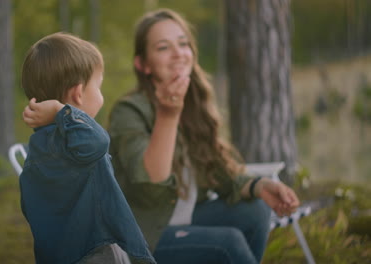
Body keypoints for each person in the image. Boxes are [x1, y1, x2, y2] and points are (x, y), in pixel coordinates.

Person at [106, 8, 300, 264]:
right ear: (143, 65)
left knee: (255, 211)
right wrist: (168, 115)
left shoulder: (194, 104)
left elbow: (217, 169)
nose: (178, 53)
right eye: (163, 47)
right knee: (227, 243)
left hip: (182, 219)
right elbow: (151, 184)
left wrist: (260, 185)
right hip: (141, 237)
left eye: (183, 44)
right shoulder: (128, 112)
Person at [19, 32, 155, 264]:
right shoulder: (79, 144)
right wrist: (63, 112)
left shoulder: (41, 144)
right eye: (98, 87)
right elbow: (99, 142)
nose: (101, 96)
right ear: (78, 93)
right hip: (95, 250)